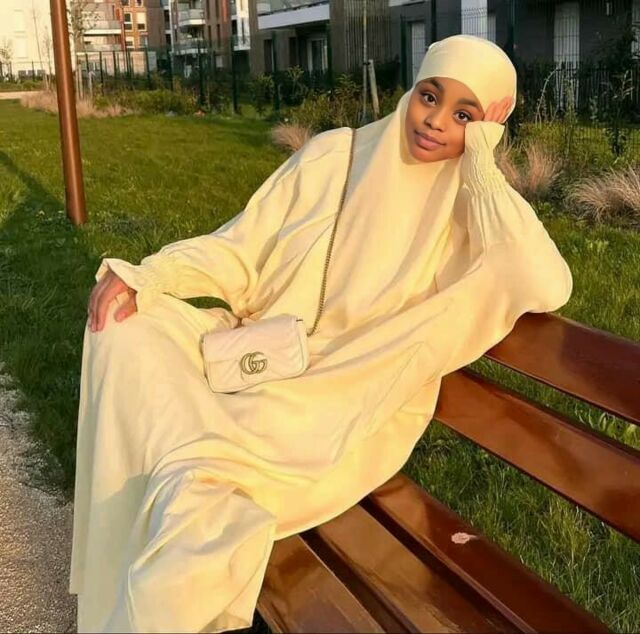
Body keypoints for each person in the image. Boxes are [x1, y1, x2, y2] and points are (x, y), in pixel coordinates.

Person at [72, 34, 573, 633]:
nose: (436, 120)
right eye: (429, 96)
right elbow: (241, 247)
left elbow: (544, 279)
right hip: (261, 350)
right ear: (413, 90)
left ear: (488, 128)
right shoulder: (336, 156)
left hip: (346, 399)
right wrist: (151, 276)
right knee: (124, 326)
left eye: (465, 115)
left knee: (196, 493)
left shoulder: (473, 210)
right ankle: (130, 560)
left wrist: (483, 163)